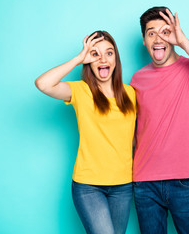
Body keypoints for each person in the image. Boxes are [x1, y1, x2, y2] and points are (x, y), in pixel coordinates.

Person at [130, 7, 189, 233]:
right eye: (151, 33)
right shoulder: (137, 79)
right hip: (145, 183)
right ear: (144, 40)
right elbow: (135, 130)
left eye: (165, 32)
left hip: (185, 181)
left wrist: (183, 41)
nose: (158, 38)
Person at [35, 31, 136, 234]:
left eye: (109, 53)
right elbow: (43, 84)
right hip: (89, 186)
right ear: (89, 61)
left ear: (116, 58)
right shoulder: (81, 91)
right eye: (95, 54)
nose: (103, 59)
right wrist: (79, 58)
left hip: (123, 185)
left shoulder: (131, 94)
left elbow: (133, 140)